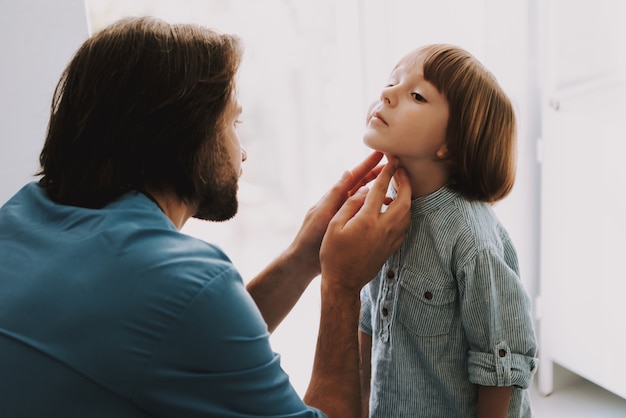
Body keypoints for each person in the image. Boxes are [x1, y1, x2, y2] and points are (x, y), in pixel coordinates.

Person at [0, 17, 412, 418]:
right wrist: (341, 285)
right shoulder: (183, 280)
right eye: (233, 122)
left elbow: (184, 338)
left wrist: (302, 259)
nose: (243, 151)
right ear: (180, 133)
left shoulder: (19, 215)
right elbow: (186, 308)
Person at [358, 44, 538, 418]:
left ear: (450, 144)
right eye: (392, 82)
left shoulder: (470, 239)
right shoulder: (377, 212)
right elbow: (368, 318)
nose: (386, 94)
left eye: (416, 95)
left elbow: (500, 362)